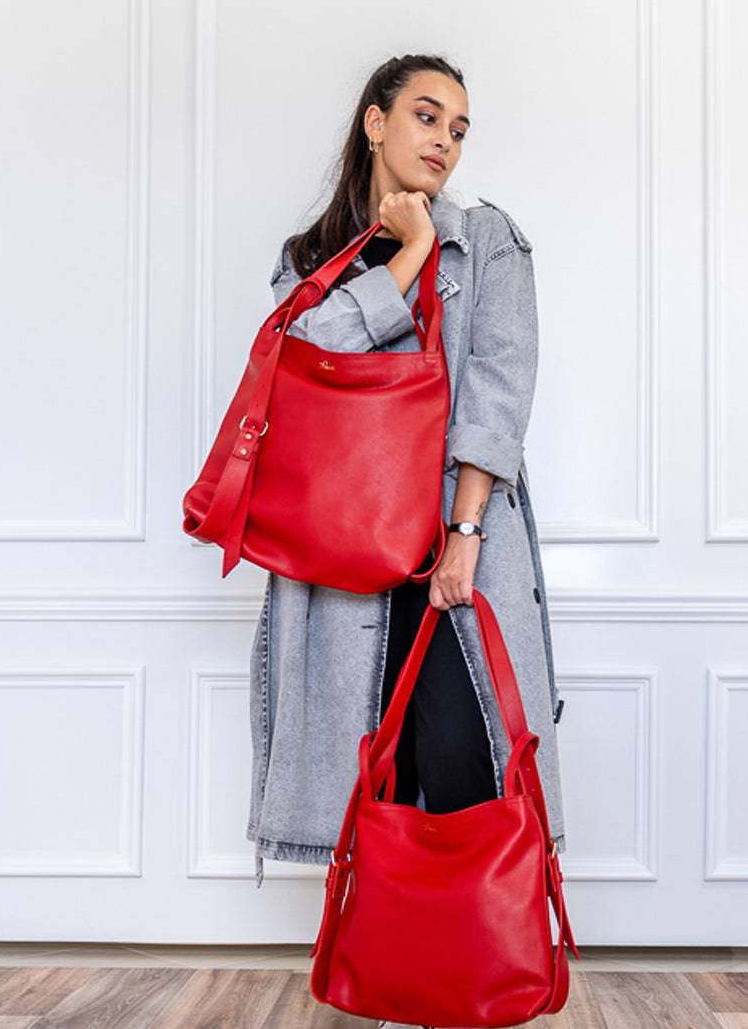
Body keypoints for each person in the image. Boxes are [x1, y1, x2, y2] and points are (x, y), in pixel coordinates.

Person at [247, 58, 567, 1023]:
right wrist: (405, 257)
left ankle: (476, 979)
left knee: (470, 765)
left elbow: (499, 396)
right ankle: (398, 980)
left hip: (457, 539)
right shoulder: (312, 257)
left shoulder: (494, 241)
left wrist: (465, 533)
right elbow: (305, 364)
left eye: (461, 127)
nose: (445, 140)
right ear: (375, 121)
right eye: (427, 116)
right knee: (375, 776)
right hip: (344, 555)